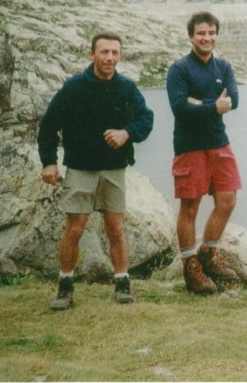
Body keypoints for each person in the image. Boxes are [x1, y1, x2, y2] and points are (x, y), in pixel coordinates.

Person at [38, 32, 154, 311]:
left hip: (114, 168)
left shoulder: (127, 88)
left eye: (115, 52)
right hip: (80, 167)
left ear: (120, 56)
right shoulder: (74, 87)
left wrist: (127, 133)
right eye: (104, 52)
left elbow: (146, 119)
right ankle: (65, 286)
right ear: (92, 54)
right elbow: (48, 125)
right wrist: (49, 162)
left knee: (116, 228)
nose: (109, 58)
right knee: (75, 228)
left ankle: (122, 282)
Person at [167, 11, 243, 294]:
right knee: (190, 207)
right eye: (201, 33)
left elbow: (233, 99)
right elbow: (179, 108)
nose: (207, 38)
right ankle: (190, 268)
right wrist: (212, 106)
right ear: (191, 37)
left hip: (219, 143)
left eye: (211, 33)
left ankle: (208, 255)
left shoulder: (223, 67)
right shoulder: (179, 69)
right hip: (189, 147)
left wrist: (198, 102)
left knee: (227, 200)